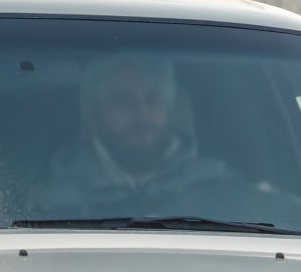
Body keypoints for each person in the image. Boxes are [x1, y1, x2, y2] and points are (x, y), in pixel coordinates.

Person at [34, 55, 241, 219]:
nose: (142, 115)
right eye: (124, 102)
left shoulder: (218, 182)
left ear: (168, 109)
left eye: (152, 100)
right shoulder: (53, 198)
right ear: (95, 115)